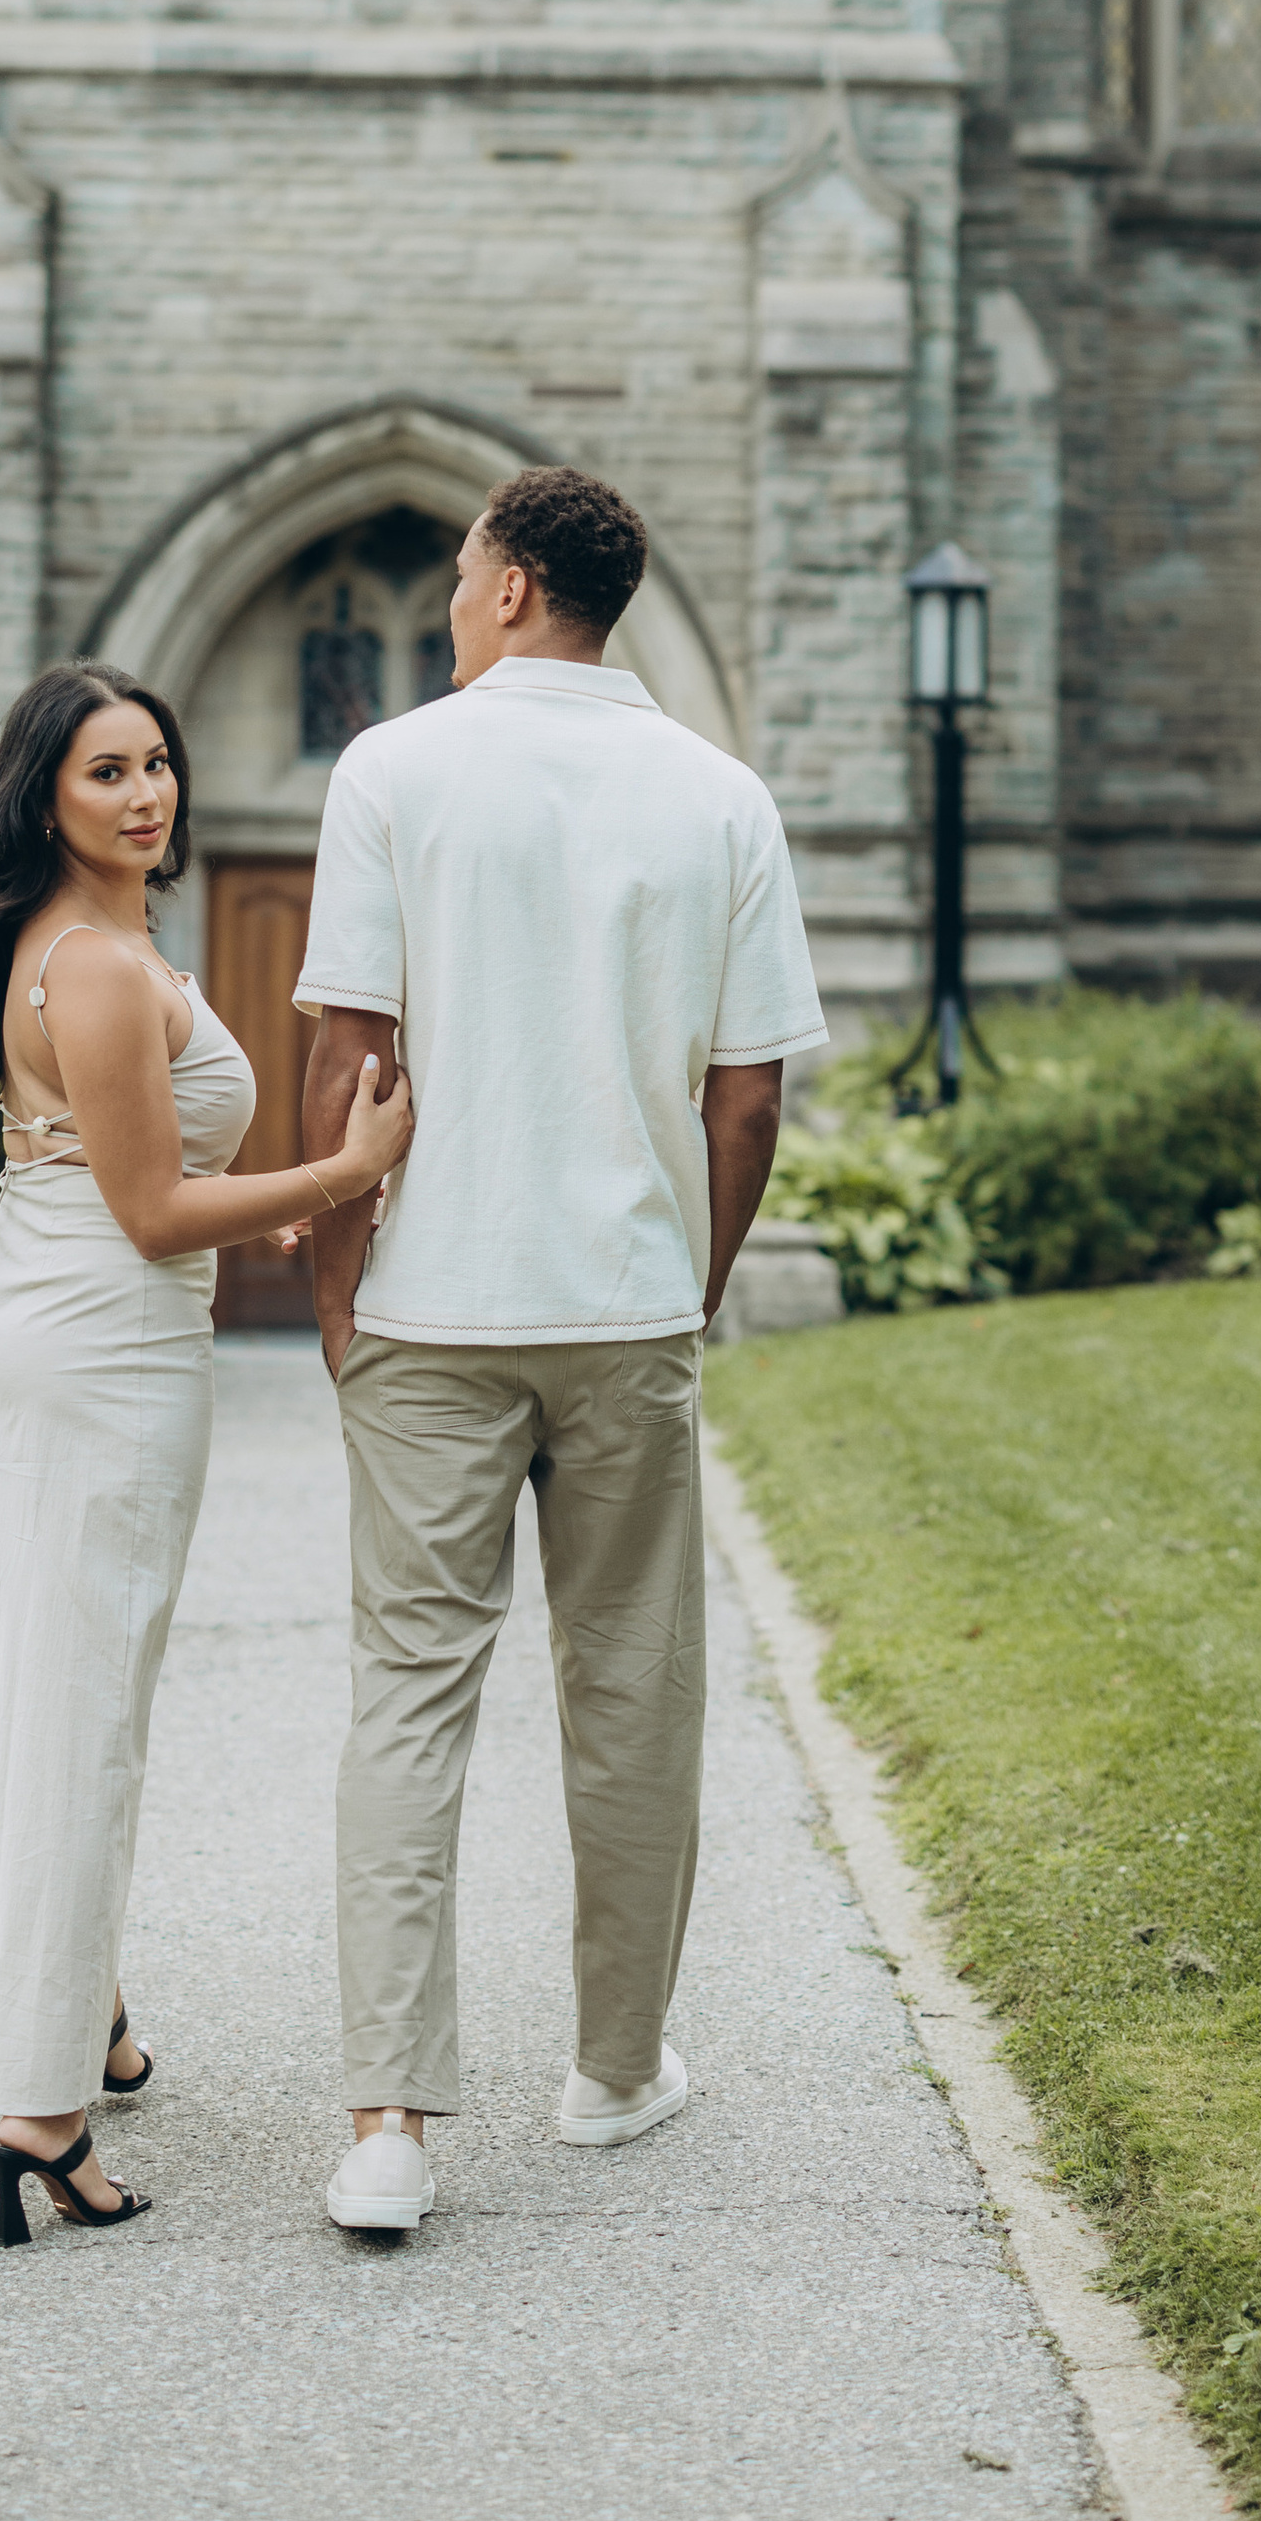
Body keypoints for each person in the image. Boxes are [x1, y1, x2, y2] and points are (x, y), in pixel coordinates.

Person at [295, 467, 826, 2234]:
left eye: (465, 572)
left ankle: (389, 2123)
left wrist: (338, 1292)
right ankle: (613, 2072)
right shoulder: (722, 795)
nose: (455, 598)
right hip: (624, 1310)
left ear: (516, 584)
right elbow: (749, 1097)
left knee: (407, 1698)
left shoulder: (392, 770)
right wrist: (697, 1279)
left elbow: (349, 1052)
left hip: (431, 1310)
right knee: (634, 1692)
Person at [0, 661, 412, 2248]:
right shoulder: (96, 966)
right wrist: (344, 1169)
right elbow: (146, 1212)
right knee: (78, 1714)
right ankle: (40, 2114)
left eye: (156, 763)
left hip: (68, 1322)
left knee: (72, 1690)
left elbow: (118, 1173)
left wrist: (248, 1204)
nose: (145, 796)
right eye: (105, 773)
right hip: (98, 1349)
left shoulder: (83, 943)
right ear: (43, 799)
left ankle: (89, 2013)